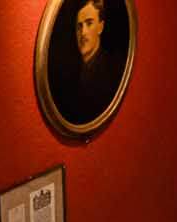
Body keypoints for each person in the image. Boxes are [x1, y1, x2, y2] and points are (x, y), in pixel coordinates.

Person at [50, 0, 127, 128]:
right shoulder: (69, 73)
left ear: (100, 27)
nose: (83, 32)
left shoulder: (111, 71)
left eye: (89, 23)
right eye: (79, 26)